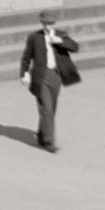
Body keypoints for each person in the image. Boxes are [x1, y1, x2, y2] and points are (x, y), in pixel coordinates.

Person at [19, 10, 81, 153]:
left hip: (56, 75)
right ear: (41, 23)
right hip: (40, 76)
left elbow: (75, 47)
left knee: (50, 109)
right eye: (45, 23)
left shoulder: (60, 34)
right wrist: (24, 74)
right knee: (46, 108)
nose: (48, 26)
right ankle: (49, 141)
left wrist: (60, 41)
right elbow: (26, 58)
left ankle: (42, 135)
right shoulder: (34, 37)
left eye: (50, 23)